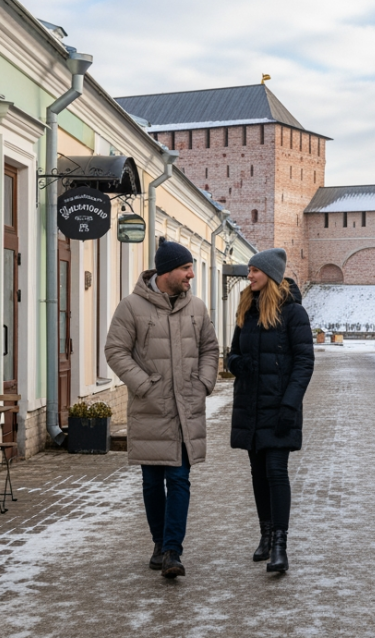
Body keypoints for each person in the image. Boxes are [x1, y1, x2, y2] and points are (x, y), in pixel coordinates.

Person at [106, 240, 219, 579]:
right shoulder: (131, 307)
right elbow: (115, 351)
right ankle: (159, 543)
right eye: (186, 269)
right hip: (150, 407)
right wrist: (144, 385)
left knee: (179, 478)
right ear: (167, 270)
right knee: (153, 482)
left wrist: (202, 384)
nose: (191, 276)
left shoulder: (197, 308)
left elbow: (209, 350)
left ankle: (173, 550)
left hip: (185, 408)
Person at [227, 249, 314, 573]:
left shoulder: (293, 313)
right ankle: (265, 535)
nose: (249, 276)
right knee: (257, 474)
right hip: (250, 404)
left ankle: (280, 546)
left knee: (276, 472)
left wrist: (290, 404)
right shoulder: (247, 308)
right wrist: (239, 363)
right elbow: (232, 354)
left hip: (280, 407)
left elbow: (305, 363)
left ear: (271, 275)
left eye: (254, 271)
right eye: (249, 271)